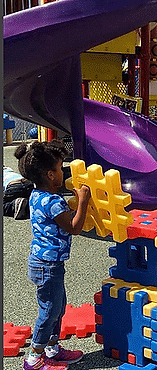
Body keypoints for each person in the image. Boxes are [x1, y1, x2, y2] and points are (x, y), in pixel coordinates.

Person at [16, 140, 91, 370]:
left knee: (58, 307)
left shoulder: (38, 194)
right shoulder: (53, 202)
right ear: (50, 174)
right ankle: (34, 357)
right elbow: (75, 228)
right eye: (60, 168)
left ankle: (51, 348)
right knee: (50, 310)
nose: (63, 172)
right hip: (47, 265)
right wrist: (84, 201)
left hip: (48, 263)